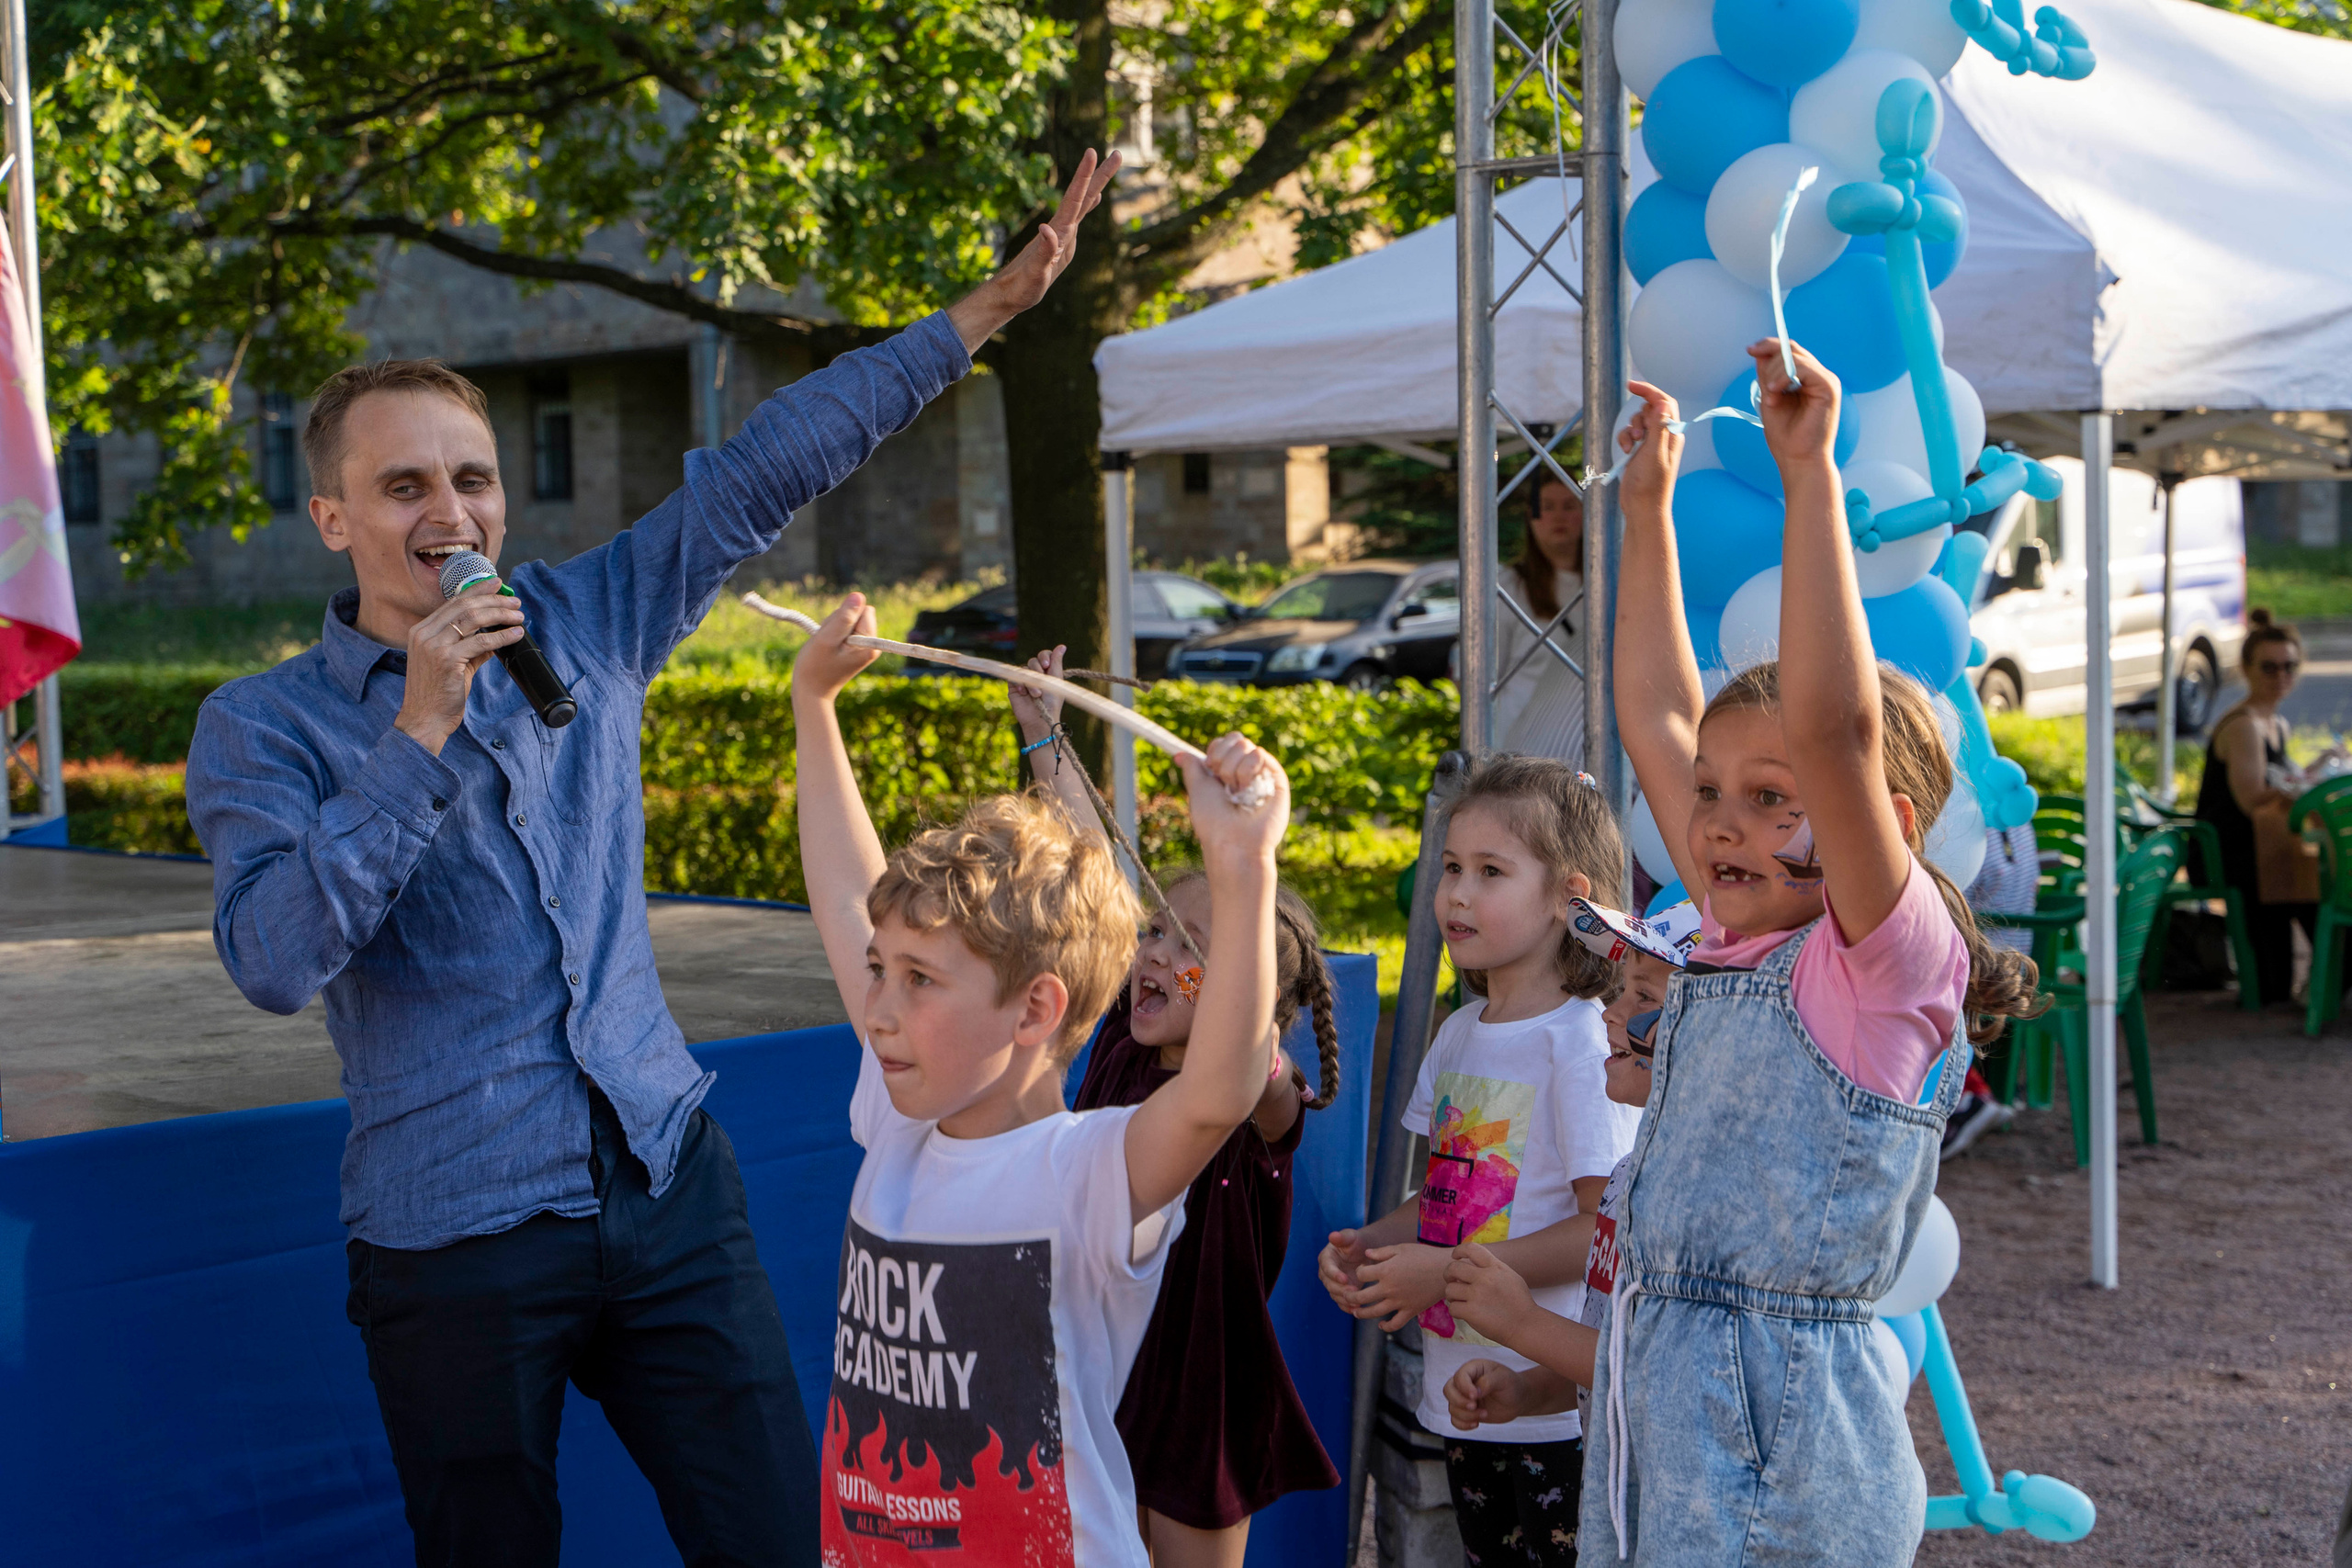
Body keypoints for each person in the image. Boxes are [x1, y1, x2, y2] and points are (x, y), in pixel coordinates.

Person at [183, 152, 1122, 1566]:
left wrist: (976, 317)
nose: (450, 511)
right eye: (402, 486)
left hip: (667, 1179)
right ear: (334, 518)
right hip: (457, 1233)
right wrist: (419, 732)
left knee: (770, 1538)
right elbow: (269, 958)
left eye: (474, 478)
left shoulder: (591, 616)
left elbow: (767, 464)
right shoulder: (264, 724)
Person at [1596, 340, 2042, 1565]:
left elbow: (1837, 731)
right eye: (1710, 796)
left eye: (1768, 795)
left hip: (1781, 1446)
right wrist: (1647, 509)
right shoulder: (1739, 927)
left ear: (1878, 826)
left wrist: (1807, 477)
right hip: (1662, 1410)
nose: (1720, 821)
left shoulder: (1877, 965)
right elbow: (1653, 713)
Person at [790, 591, 1292, 1568]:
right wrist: (815, 708)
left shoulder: (1086, 1170)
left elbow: (1221, 1088)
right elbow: (850, 897)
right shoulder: (900, 1122)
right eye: (879, 972)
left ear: (1034, 1011)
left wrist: (1241, 869)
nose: (878, 1006)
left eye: (919, 979)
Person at [1009, 654, 1342, 1566]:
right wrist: (1044, 733)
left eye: (1191, 945)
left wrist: (1259, 1054)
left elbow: (1269, 1091)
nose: (1153, 953)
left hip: (1204, 1385)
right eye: (1157, 930)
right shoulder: (1122, 1033)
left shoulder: (1249, 1095)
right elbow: (1095, 857)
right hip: (1100, 1364)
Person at [1317, 755, 1641, 1568]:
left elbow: (1605, 1226)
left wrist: (1450, 1270)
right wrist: (1375, 1245)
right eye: (1452, 867)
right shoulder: (1461, 1031)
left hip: (1554, 1402)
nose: (1457, 891)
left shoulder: (1578, 1043)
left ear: (1570, 898)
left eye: (1490, 871)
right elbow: (1445, 1190)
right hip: (1466, 1391)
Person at [1441, 900, 1700, 1443]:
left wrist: (1523, 1325)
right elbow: (1612, 1348)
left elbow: (1666, 1372)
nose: (1612, 1010)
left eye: (1645, 997)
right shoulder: (1633, 1174)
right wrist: (1530, 1391)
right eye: (1624, 988)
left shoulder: (1696, 1198)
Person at [2192, 609, 2345, 1005]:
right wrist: (2304, 785)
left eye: (2290, 667)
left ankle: (2329, 976)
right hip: (2235, 853)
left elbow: (2279, 783)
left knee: (2325, 882)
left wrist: (2313, 771)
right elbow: (2252, 800)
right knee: (2320, 887)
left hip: (2268, 847)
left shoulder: (2275, 723)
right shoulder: (2244, 725)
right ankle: (2328, 976)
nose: (2281, 677)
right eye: (2270, 668)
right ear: (2246, 669)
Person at [1495, 469, 1589, 766]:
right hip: (1519, 752)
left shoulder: (1609, 583)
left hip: (1583, 748)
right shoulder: (1509, 588)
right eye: (1547, 507)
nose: (1558, 516)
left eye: (1569, 505)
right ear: (1531, 518)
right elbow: (1481, 677)